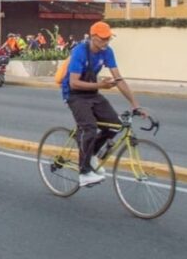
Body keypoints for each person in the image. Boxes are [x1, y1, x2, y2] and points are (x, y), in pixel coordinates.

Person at [61, 21, 143, 187]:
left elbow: (118, 79)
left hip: (92, 93)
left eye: (108, 39)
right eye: (103, 39)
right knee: (89, 127)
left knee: (115, 125)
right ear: (93, 37)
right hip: (75, 94)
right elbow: (74, 83)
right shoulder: (79, 52)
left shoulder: (107, 52)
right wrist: (101, 85)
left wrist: (135, 104)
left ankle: (90, 154)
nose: (106, 42)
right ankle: (84, 173)